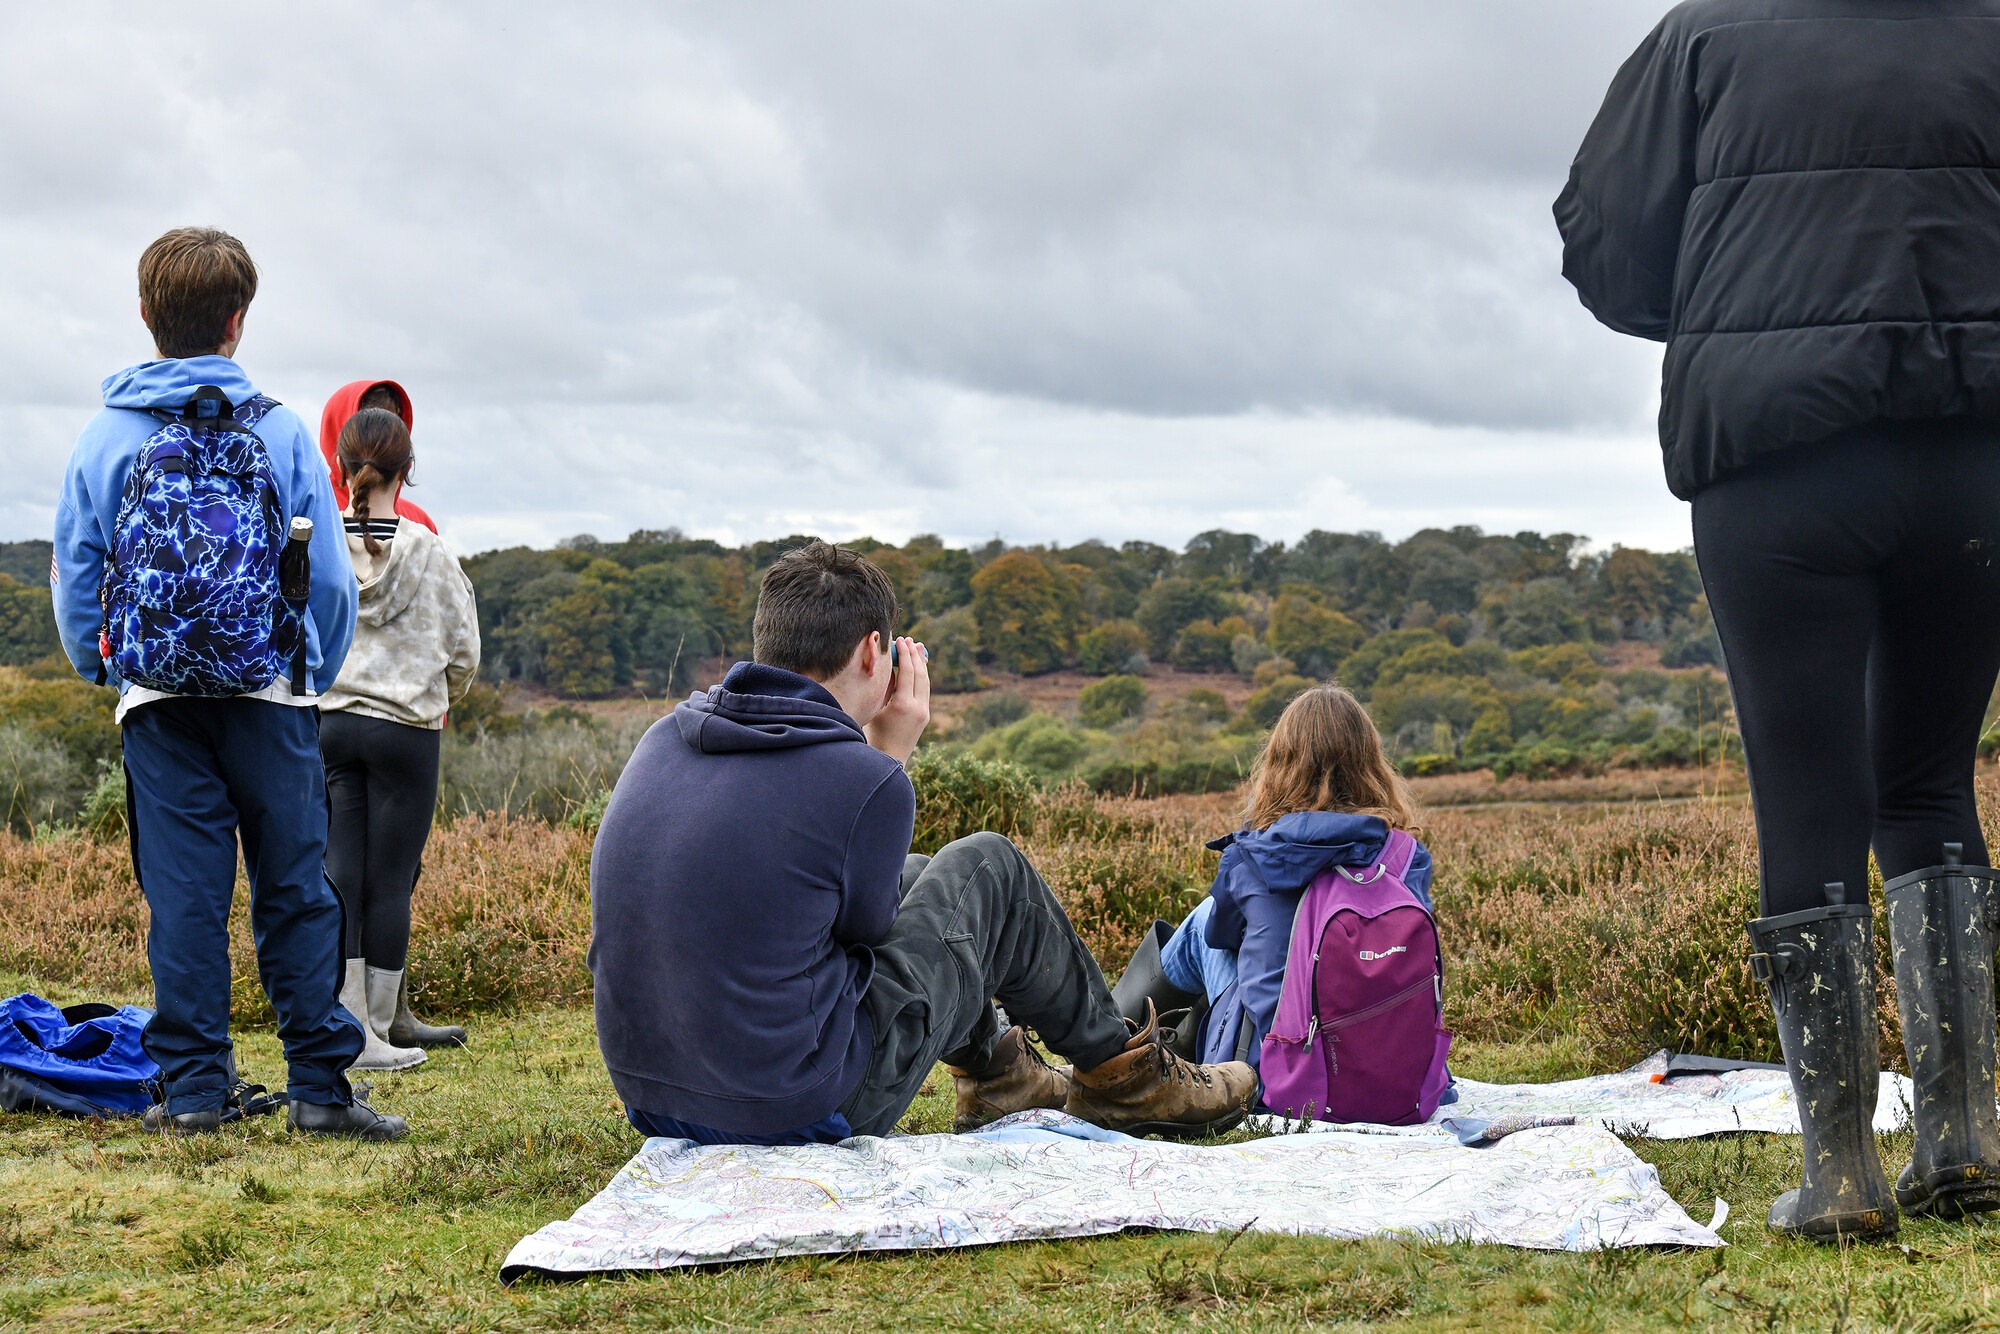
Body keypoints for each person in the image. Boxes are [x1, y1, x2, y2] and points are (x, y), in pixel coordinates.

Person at [1556, 1, 2000, 1242]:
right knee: (1929, 783)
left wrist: (1725, 297)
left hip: (1778, 458)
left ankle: (1842, 1170)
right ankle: (1963, 1135)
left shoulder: (1705, 36)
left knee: (1804, 796)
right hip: (1976, 455)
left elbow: (1600, 239)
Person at [589, 541, 1256, 1145]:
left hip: (655, 1098)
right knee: (987, 867)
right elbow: (870, 933)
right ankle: (1127, 1080)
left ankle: (1001, 1075)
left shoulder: (665, 740)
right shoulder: (861, 778)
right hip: (795, 1107)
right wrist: (888, 756)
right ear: (872, 652)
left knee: (917, 875)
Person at [50, 226, 403, 1140]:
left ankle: (198, 1092)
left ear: (144, 317)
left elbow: (77, 568)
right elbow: (326, 576)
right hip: (270, 695)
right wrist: (308, 669)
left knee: (186, 898)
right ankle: (320, 1091)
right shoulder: (280, 431)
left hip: (158, 703)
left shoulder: (104, 436)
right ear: (239, 322)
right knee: (295, 889)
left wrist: (103, 663)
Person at [1114, 685, 1436, 1082]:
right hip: (1397, 1071)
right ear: (1371, 763)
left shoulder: (1256, 855)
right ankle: (1159, 1045)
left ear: (1281, 763)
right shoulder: (1406, 858)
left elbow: (1221, 935)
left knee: (1203, 924)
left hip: (1278, 1070)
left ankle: (1112, 1042)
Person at [319, 407, 481, 1071]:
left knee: (340, 875)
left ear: (341, 465)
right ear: (406, 470)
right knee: (389, 883)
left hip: (330, 723)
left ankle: (347, 1023)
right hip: (406, 731)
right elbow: (464, 652)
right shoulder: (431, 553)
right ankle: (379, 1033)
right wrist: (436, 693)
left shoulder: (321, 545)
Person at [318, 380, 436, 532]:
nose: (380, 439)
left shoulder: (421, 522)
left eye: (391, 428)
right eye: (366, 427)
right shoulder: (308, 515)